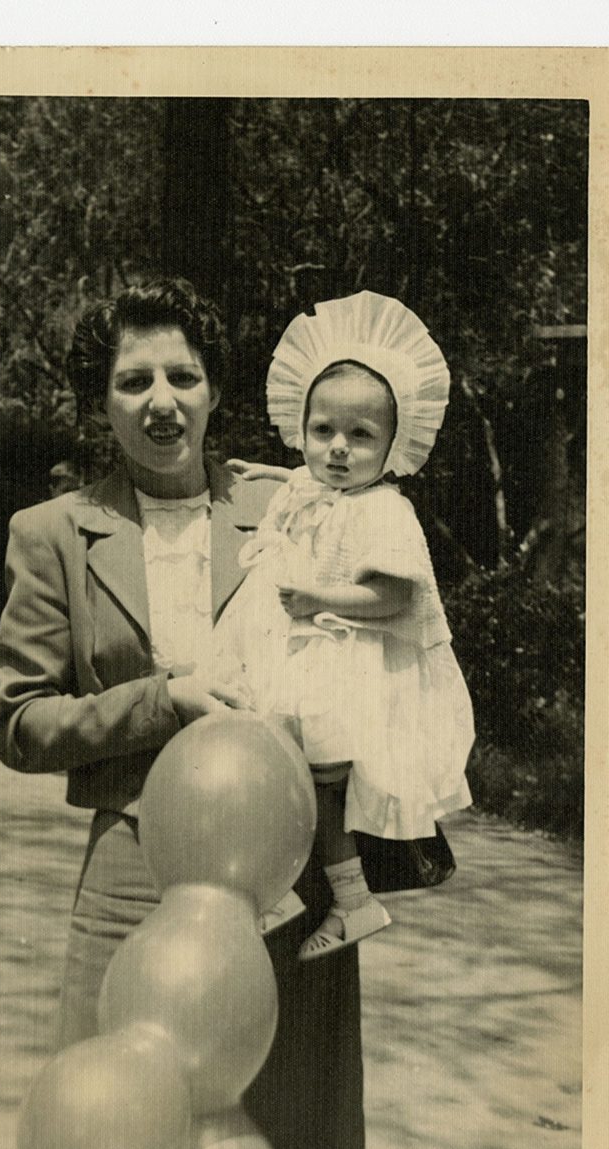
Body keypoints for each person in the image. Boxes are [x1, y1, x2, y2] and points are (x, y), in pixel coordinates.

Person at [0, 277, 365, 1149]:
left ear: (216, 390)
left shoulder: (289, 505)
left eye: (184, 377)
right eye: (134, 382)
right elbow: (18, 721)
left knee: (287, 1135)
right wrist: (164, 702)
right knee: (112, 1140)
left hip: (283, 872)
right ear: (100, 404)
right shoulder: (52, 533)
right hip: (133, 868)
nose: (163, 403)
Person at [218, 291, 475, 960]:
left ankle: (336, 897)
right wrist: (274, 471)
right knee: (267, 765)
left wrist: (318, 598)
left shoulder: (386, 511)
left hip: (346, 672)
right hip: (297, 658)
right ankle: (322, 895)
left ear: (393, 446)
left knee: (302, 779)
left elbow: (395, 598)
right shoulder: (318, 484)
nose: (337, 450)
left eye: (360, 436)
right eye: (323, 430)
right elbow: (307, 480)